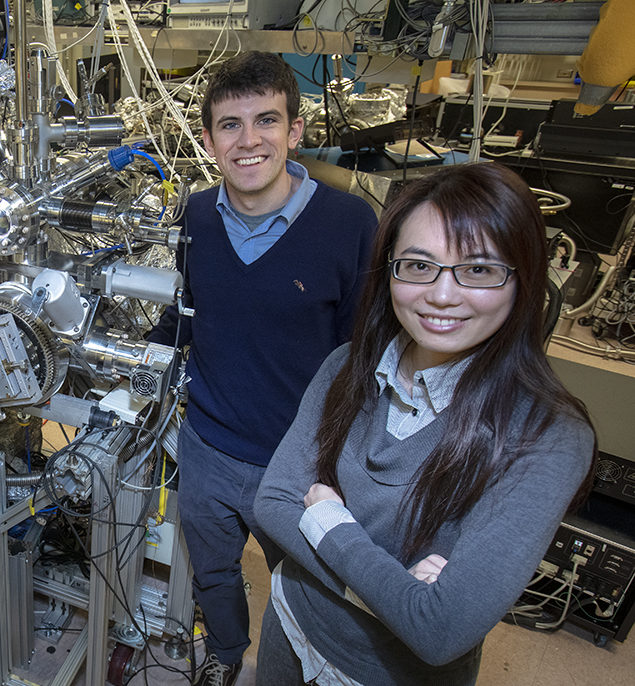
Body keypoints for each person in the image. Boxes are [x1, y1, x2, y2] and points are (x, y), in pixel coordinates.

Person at [253, 162, 596, 685]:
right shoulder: (346, 366)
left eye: (478, 270)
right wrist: (397, 593)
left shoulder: (547, 438)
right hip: (292, 618)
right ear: (390, 269)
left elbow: (439, 633)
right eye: (419, 265)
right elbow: (273, 502)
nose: (442, 294)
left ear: (522, 278)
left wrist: (328, 524)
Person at [147, 51, 378, 684]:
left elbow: (363, 356)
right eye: (230, 125)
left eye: (266, 121)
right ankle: (224, 658)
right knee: (214, 571)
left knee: (306, 589)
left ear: (295, 132)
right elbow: (185, 314)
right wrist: (141, 360)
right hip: (208, 448)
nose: (249, 142)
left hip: (298, 461)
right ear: (207, 139)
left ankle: (293, 669)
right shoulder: (194, 214)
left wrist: (341, 463)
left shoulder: (349, 223)